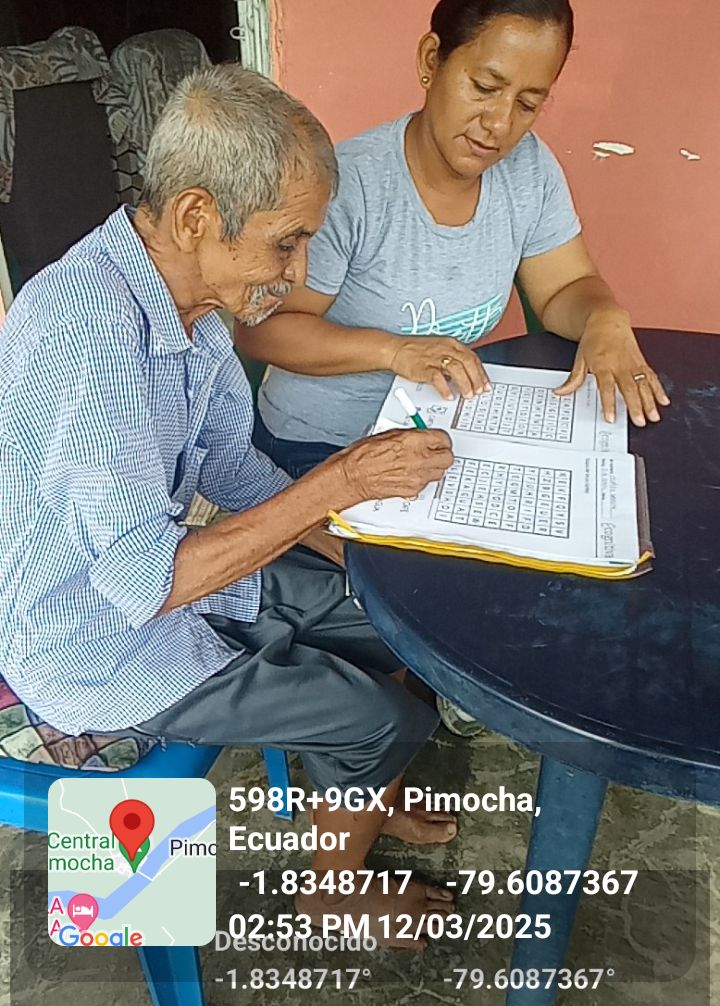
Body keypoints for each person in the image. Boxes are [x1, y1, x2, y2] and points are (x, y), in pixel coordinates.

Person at [0, 65, 458, 947]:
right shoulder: (87, 335)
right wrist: (340, 482)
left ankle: (355, 800)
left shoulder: (194, 309)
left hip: (165, 590)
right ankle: (332, 892)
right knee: (383, 717)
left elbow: (231, 465)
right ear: (195, 217)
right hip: (93, 647)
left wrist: (356, 545)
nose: (300, 272)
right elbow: (148, 584)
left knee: (395, 618)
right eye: (287, 243)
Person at [237, 0, 670, 484]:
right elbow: (262, 330)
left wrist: (603, 317)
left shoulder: (528, 169)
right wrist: (394, 351)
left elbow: (564, 287)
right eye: (484, 87)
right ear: (431, 60)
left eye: (528, 104)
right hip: (320, 446)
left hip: (435, 432)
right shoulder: (351, 187)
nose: (500, 123)